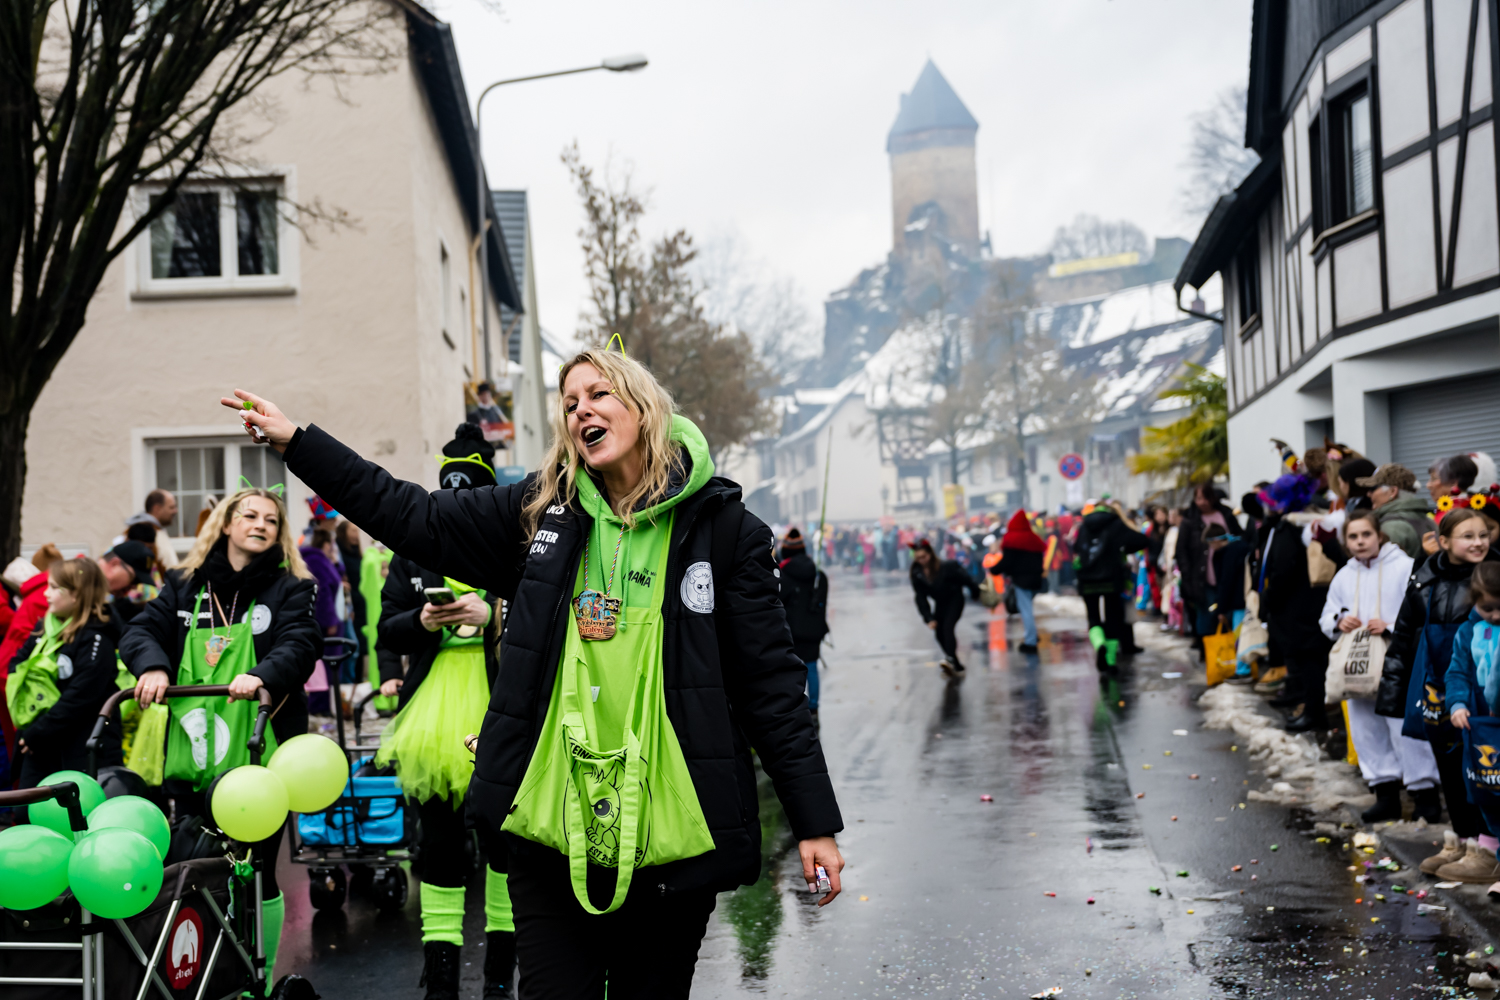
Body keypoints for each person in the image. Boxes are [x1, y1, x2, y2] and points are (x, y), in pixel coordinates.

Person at [224, 347, 843, 999]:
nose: (581, 411)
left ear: (644, 406)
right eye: (570, 403)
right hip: (551, 824)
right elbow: (411, 515)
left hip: (671, 830)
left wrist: (815, 823)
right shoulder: (542, 513)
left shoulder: (726, 534)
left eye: (598, 394)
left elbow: (771, 688)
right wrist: (299, 443)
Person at [120, 486, 321, 987]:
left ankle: (258, 977)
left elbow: (301, 643)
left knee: (256, 869)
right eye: (249, 515)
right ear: (226, 524)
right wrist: (153, 668)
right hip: (193, 753)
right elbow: (139, 632)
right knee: (193, 867)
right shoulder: (185, 585)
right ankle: (203, 975)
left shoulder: (290, 588)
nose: (259, 525)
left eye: (271, 520)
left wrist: (263, 675)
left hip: (259, 756)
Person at [375, 424, 515, 999]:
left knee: (507, 843)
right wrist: (421, 623)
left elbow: (552, 617)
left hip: (500, 702)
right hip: (431, 712)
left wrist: (494, 618)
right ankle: (440, 981)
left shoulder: (512, 544)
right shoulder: (415, 549)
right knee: (440, 844)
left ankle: (501, 977)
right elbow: (386, 626)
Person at [1379, 508, 1499, 880]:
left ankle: (1486, 846)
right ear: (1443, 542)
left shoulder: (1495, 576)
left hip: (1479, 691)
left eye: (1483, 535)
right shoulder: (1424, 578)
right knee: (1451, 768)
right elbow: (1402, 638)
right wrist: (1394, 693)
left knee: (1484, 770)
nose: (1478, 542)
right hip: (1438, 689)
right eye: (1468, 536)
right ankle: (1462, 838)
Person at [1319, 511, 1439, 822]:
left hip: (1396, 659)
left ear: (1379, 536)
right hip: (1357, 666)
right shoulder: (1344, 575)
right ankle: (1385, 794)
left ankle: (1424, 795)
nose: (1360, 542)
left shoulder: (1403, 567)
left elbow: (1421, 611)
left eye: (1366, 535)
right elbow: (1326, 616)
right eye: (1353, 537)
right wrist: (1338, 620)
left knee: (1404, 729)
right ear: (1346, 542)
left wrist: (1389, 625)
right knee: (1365, 729)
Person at [6, 558, 123, 786]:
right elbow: (18, 663)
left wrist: (40, 731)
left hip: (80, 745)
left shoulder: (97, 637)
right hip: (42, 744)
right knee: (26, 812)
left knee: (77, 814)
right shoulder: (45, 628)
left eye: (53, 588)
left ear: (76, 594)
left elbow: (81, 696)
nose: (46, 595)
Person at [1257, 473, 1334, 731]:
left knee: (1309, 662)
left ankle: (1314, 713)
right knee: (1311, 661)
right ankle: (1312, 709)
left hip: (1297, 607)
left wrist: (1267, 600)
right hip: (1310, 603)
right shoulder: (1310, 523)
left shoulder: (1291, 527)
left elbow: (1282, 571)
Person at [1444, 560, 1500, 893]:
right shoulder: (1469, 632)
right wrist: (1457, 704)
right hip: (1481, 727)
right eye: (1487, 607)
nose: (1495, 615)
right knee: (1488, 790)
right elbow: (1458, 672)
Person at [1073, 501, 1149, 672]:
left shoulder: (1084, 525)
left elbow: (1077, 547)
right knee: (1113, 618)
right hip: (1112, 579)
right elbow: (1141, 540)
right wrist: (1123, 549)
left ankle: (1099, 643)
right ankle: (1111, 660)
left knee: (1093, 618)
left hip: (1087, 579)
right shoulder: (1116, 524)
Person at [1177, 485, 1242, 641]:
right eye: (1199, 498)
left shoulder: (1225, 514)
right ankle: (1206, 649)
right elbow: (1181, 552)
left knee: (1228, 613)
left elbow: (1239, 537)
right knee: (1207, 613)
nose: (1203, 502)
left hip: (1227, 573)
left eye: (1206, 498)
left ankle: (1227, 649)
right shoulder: (1189, 520)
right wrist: (1187, 578)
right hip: (1203, 577)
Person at [777, 528, 829, 720]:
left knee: (793, 671)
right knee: (812, 667)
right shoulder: (818, 575)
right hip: (815, 630)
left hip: (792, 631)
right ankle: (814, 708)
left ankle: (797, 707)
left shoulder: (783, 574)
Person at [909, 538, 981, 676]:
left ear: (930, 554)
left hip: (955, 599)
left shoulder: (947, 566)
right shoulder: (917, 573)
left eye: (924, 556)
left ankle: (949, 659)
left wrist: (975, 592)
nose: (921, 560)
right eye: (918, 558)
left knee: (948, 628)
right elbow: (920, 597)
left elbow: (966, 579)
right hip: (940, 603)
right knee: (938, 632)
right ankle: (955, 663)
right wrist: (928, 618)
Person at [987, 510, 1045, 653]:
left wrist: (994, 570)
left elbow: (1007, 561)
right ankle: (1031, 636)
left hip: (1021, 580)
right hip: (1036, 580)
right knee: (1028, 609)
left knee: (1025, 611)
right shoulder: (1034, 538)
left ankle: (1030, 641)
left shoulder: (1011, 539)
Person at [1360, 464, 1435, 561]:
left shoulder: (1391, 527)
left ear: (1392, 492)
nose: (1368, 494)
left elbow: (1385, 568)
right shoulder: (1428, 520)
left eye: (1373, 489)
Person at [118, 489, 180, 569]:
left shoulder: (133, 530)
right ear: (157, 509)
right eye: (171, 507)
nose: (175, 511)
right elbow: (170, 567)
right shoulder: (151, 533)